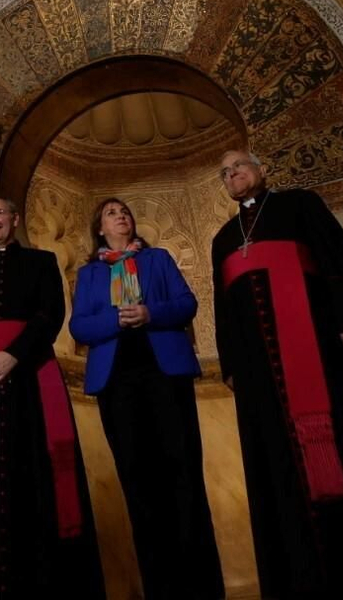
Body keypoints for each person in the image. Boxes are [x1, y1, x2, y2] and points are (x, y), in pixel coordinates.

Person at [211, 151, 343, 600]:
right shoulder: (222, 238)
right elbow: (223, 307)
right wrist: (230, 363)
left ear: (262, 169)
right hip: (259, 371)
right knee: (279, 462)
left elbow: (335, 261)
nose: (233, 174)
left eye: (240, 166)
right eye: (225, 173)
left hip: (317, 346)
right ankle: (304, 577)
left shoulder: (300, 204)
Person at [0, 197, 105, 600]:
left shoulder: (43, 262)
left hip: (30, 379)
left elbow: (49, 315)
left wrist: (12, 356)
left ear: (15, 219)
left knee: (35, 480)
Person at [69, 198, 225, 600]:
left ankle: (203, 588)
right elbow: (80, 325)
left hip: (165, 374)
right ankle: (162, 588)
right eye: (110, 213)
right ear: (100, 230)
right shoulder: (88, 274)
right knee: (138, 481)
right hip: (116, 382)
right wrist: (114, 319)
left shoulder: (158, 259)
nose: (121, 216)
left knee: (183, 476)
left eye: (124, 211)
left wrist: (150, 314)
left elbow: (186, 303)